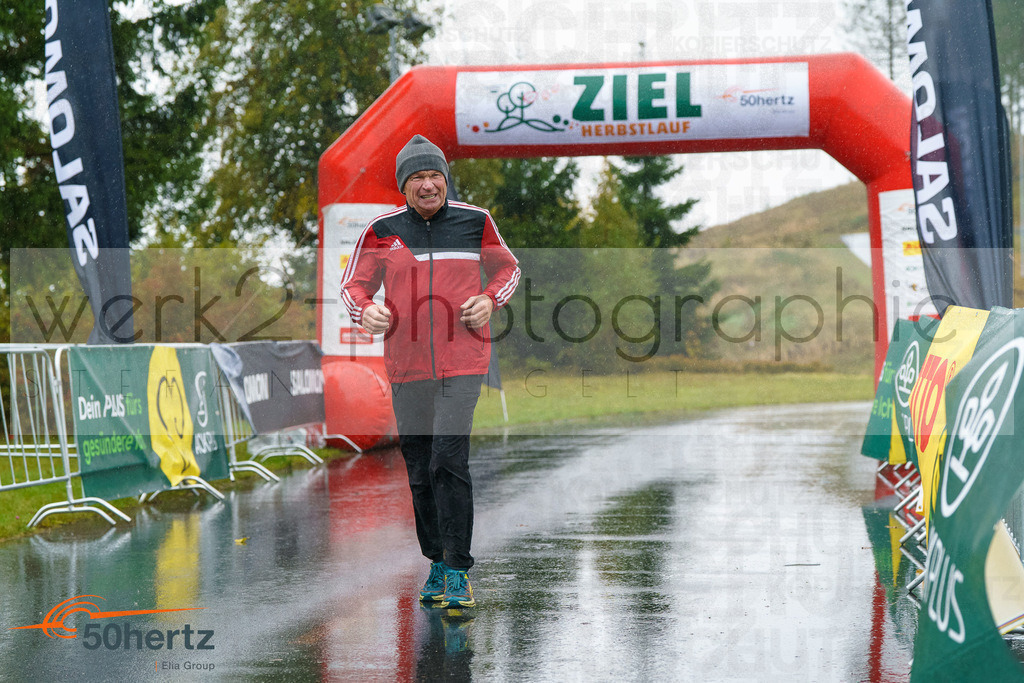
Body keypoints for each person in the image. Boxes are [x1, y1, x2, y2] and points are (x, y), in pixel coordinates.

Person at [340, 134, 520, 608]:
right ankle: (436, 560)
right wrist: (366, 310)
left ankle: (458, 569)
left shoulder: (475, 221)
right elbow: (353, 286)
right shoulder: (382, 230)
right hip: (407, 367)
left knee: (447, 459)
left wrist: (490, 299)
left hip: (463, 362)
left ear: (445, 179)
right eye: (417, 177)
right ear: (403, 185)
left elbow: (509, 270)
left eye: (434, 175)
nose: (427, 185)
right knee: (420, 469)